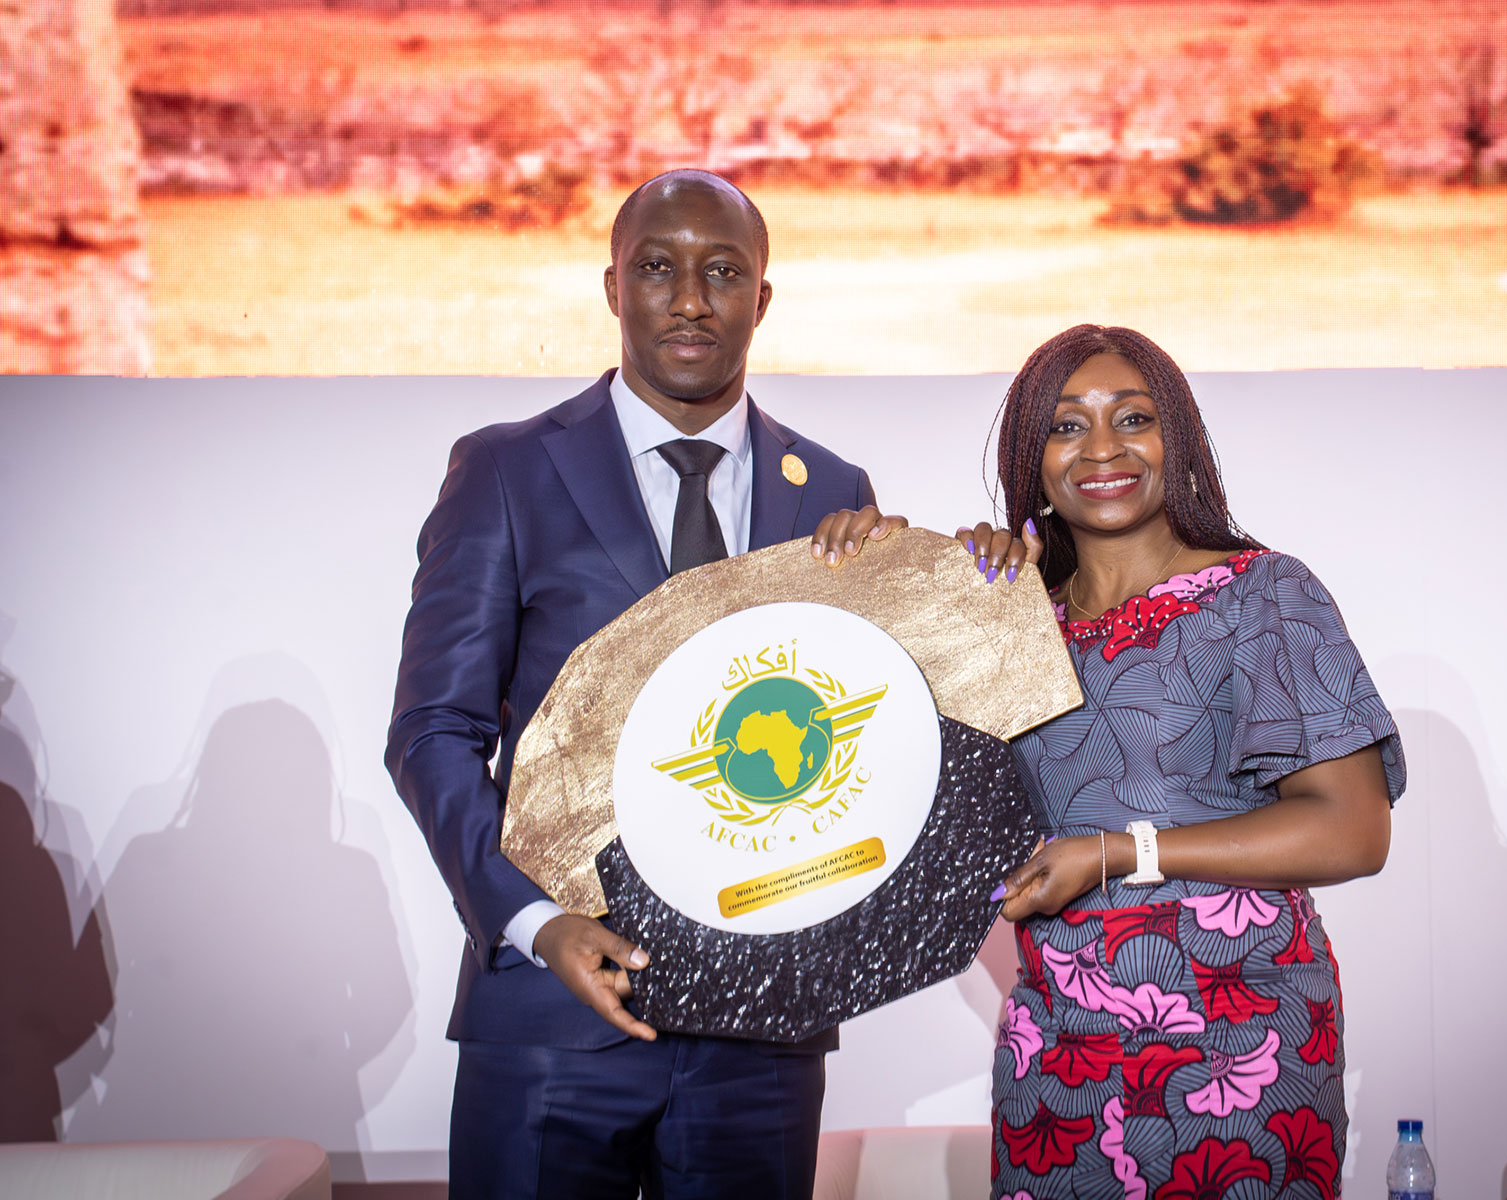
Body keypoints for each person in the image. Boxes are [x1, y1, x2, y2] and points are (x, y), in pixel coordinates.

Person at [385, 169, 901, 1200]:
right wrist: (536, 924)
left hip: (762, 1026)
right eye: (659, 268)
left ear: (762, 298)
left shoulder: (834, 492)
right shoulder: (507, 471)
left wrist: (962, 578)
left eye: (724, 273)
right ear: (613, 287)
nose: (692, 300)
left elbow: (865, 738)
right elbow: (434, 732)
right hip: (551, 1012)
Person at [961, 325, 1405, 1197]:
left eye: (1134, 417)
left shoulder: (1262, 593)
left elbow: (1355, 829)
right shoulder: (1013, 625)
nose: (1102, 448)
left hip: (1241, 1043)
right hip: (1057, 1057)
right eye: (1066, 426)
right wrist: (912, 579)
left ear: (1180, 440)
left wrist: (1120, 852)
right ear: (1032, 462)